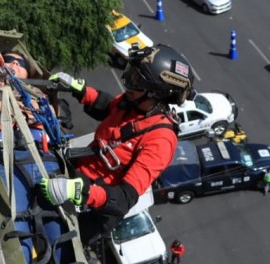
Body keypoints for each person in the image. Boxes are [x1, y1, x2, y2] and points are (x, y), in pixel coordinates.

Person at [42, 45, 194, 225]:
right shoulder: (134, 101)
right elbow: (109, 107)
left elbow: (124, 198)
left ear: (157, 93)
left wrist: (81, 193)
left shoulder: (161, 140)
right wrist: (79, 90)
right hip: (76, 171)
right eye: (131, 73)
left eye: (136, 80)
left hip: (91, 207)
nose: (127, 81)